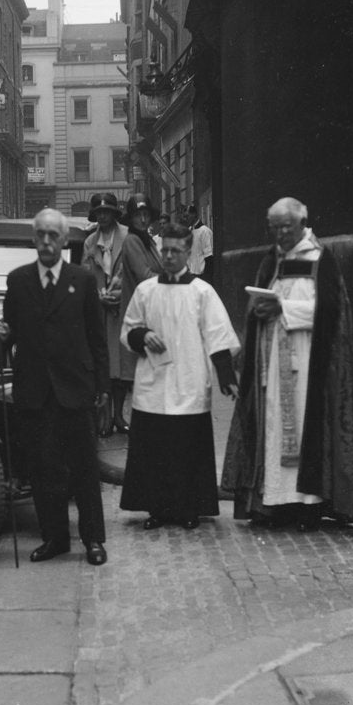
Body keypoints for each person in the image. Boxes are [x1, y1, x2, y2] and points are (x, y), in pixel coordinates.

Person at [222, 197, 353, 531]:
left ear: (302, 223)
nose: (280, 234)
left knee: (304, 430)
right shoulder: (272, 259)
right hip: (273, 361)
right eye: (274, 228)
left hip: (310, 362)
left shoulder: (320, 258)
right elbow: (259, 304)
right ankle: (274, 504)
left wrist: (283, 308)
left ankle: (307, 507)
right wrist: (258, 312)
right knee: (273, 428)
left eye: (286, 227)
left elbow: (333, 312)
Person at [0, 209, 110, 566]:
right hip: (35, 391)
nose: (46, 241)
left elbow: (97, 338)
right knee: (44, 470)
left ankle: (93, 539)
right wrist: (3, 334)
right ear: (34, 239)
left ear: (63, 240)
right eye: (40, 234)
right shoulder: (18, 280)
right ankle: (54, 538)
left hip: (75, 388)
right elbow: (11, 333)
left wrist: (102, 387)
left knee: (84, 469)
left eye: (53, 235)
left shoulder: (82, 280)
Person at [120, 224, 240, 529]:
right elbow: (129, 328)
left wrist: (225, 375)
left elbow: (218, 333)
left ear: (188, 252)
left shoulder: (202, 292)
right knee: (155, 447)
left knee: (186, 447)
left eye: (176, 250)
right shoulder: (146, 291)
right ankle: (157, 509)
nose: (169, 256)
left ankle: (189, 508)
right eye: (166, 250)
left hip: (189, 378)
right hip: (154, 381)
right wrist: (142, 336)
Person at [114, 193, 164, 434]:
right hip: (138, 309)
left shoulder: (148, 240)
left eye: (146, 215)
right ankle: (123, 418)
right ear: (131, 219)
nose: (143, 220)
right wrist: (170, 279)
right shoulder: (133, 241)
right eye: (138, 216)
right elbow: (144, 275)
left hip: (151, 308)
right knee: (132, 370)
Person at [81, 193, 128, 436]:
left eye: (106, 211)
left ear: (114, 213)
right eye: (98, 212)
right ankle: (105, 417)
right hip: (99, 309)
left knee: (120, 363)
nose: (102, 216)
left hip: (121, 308)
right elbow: (85, 274)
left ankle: (119, 414)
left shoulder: (128, 237)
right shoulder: (90, 241)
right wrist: (96, 296)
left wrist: (119, 294)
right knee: (103, 363)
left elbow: (132, 271)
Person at [184, 204, 215, 283]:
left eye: (187, 216)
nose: (185, 219)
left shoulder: (205, 231)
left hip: (202, 276)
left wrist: (207, 279)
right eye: (184, 217)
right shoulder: (188, 231)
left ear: (194, 215)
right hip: (190, 275)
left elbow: (209, 257)